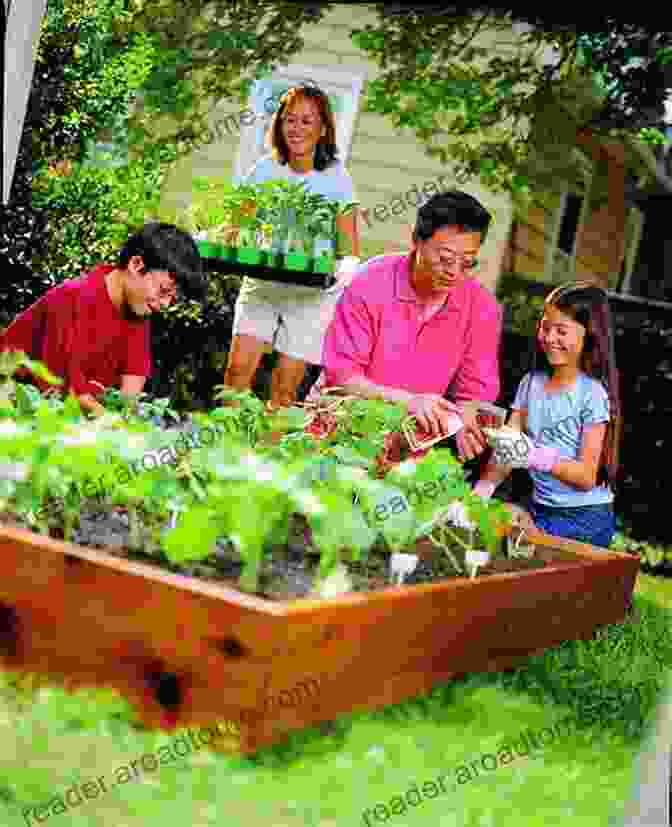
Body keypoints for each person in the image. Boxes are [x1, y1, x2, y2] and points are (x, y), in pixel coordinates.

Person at [307, 190, 502, 461]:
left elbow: (474, 394)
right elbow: (342, 377)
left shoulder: (482, 308)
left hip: (407, 446)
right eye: (445, 258)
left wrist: (466, 424)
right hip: (337, 426)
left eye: (467, 262)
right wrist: (408, 401)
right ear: (416, 240)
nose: (455, 272)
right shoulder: (369, 282)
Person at [224, 83, 360, 409]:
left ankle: (268, 454)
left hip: (312, 296)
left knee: (285, 388)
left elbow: (350, 246)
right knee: (236, 373)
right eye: (289, 119)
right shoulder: (264, 169)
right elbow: (235, 227)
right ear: (279, 124)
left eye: (307, 121)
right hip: (265, 283)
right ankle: (221, 449)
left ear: (323, 128)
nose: (296, 129)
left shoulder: (337, 176)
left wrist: (339, 275)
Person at [0, 223, 204, 416]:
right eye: (163, 291)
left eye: (172, 298)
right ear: (136, 264)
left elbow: (129, 397)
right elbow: (66, 393)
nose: (166, 304)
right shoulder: (73, 297)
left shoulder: (139, 310)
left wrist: (128, 423)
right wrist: (117, 427)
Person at [474, 282, 622, 548]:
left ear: (589, 335)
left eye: (561, 331)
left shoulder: (592, 394)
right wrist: (481, 492)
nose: (549, 337)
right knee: (492, 518)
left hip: (586, 518)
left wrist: (535, 456)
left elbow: (587, 477)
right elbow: (508, 448)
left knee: (506, 525)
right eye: (545, 327)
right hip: (542, 507)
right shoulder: (531, 383)